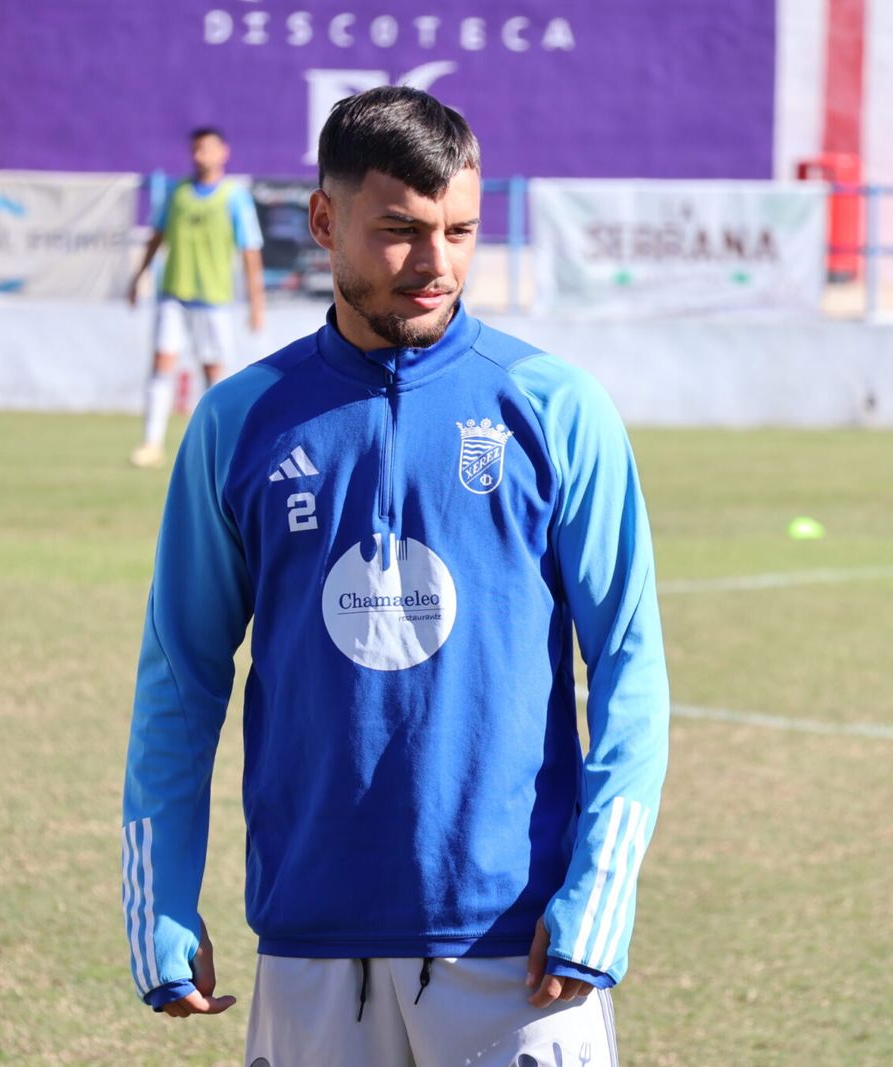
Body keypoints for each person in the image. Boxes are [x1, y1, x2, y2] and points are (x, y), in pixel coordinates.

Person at [120, 86, 669, 1066]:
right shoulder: (239, 421)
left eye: (460, 229)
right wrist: (160, 895)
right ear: (324, 220)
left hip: (519, 944)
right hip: (310, 939)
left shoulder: (555, 407)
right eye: (401, 232)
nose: (437, 264)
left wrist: (601, 886)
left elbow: (631, 664)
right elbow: (180, 675)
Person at [125, 126, 266, 468]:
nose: (199, 156)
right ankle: (151, 443)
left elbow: (250, 251)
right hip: (174, 294)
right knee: (162, 363)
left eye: (206, 149)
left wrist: (255, 301)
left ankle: (218, 447)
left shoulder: (234, 196)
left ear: (223, 153)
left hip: (214, 299)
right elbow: (157, 236)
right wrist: (138, 276)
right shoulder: (178, 193)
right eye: (195, 149)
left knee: (214, 373)